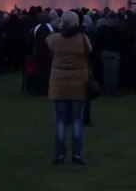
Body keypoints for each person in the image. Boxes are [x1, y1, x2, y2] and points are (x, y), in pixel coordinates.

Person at [46, 11, 92, 165]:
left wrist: (59, 27)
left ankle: (59, 155)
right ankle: (77, 155)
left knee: (60, 121)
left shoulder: (56, 39)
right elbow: (89, 49)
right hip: (78, 83)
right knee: (77, 120)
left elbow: (48, 41)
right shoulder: (82, 39)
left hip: (59, 83)